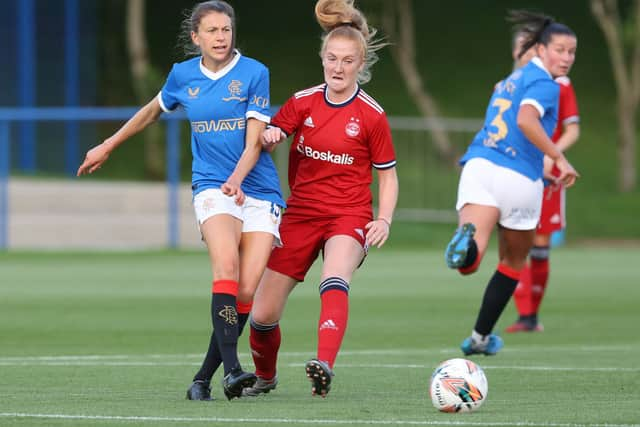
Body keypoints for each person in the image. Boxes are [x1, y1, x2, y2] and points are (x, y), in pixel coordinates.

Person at [77, 0, 285, 401]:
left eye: (226, 29)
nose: (221, 37)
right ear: (196, 38)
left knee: (245, 291)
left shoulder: (255, 73)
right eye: (212, 31)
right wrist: (108, 145)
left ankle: (204, 378)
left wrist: (238, 180)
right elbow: (151, 111)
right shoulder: (182, 76)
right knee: (225, 265)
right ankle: (235, 369)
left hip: (258, 190)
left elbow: (255, 138)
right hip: (211, 186)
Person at [241, 0, 398, 398]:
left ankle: (323, 364)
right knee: (261, 316)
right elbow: (271, 133)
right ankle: (265, 377)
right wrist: (272, 136)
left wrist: (384, 219)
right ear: (323, 60)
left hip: (348, 215)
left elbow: (388, 176)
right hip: (300, 215)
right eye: (332, 58)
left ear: (360, 65)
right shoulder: (304, 101)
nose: (338, 67)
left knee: (334, 278)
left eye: (347, 61)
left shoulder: (371, 115)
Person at [443, 10, 579, 356]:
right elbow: (527, 120)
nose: (566, 58)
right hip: (517, 177)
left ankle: (466, 247)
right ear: (541, 50)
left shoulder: (507, 81)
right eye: (559, 50)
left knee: (470, 263)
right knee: (514, 262)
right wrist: (557, 158)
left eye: (572, 52)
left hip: (478, 166)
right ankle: (479, 337)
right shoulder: (547, 84)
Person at [506, 33, 580, 333]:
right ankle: (523, 314)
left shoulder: (559, 85)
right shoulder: (508, 85)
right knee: (514, 242)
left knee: (539, 247)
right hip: (516, 172)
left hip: (547, 175)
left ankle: (530, 316)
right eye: (521, 45)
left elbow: (572, 130)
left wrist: (553, 156)